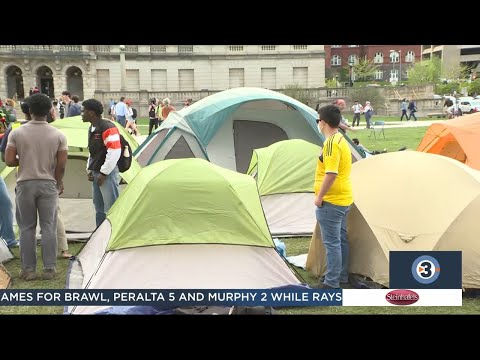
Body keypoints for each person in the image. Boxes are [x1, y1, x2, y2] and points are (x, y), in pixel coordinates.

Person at [5, 93, 68, 281]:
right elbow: (61, 165)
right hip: (48, 183)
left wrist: (23, 159)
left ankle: (29, 269)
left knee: (26, 228)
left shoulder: (17, 133)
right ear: (50, 110)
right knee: (48, 226)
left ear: (29, 111)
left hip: (25, 183)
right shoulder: (58, 135)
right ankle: (49, 268)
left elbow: (8, 160)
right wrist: (58, 182)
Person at [313, 104, 353, 289]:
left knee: (332, 243)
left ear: (323, 122)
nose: (318, 124)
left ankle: (331, 283)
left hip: (332, 200)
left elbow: (331, 173)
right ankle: (342, 276)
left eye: (318, 121)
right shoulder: (341, 139)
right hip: (344, 198)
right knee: (341, 240)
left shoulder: (330, 144)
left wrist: (320, 196)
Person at [82, 99, 121, 227]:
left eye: (84, 111)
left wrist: (104, 173)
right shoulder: (92, 128)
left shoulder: (108, 127)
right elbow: (92, 151)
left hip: (106, 175)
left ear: (92, 113)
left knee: (111, 208)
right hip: (96, 172)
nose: (82, 114)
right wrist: (89, 169)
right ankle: (99, 235)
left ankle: (113, 234)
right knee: (99, 208)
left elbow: (114, 151)